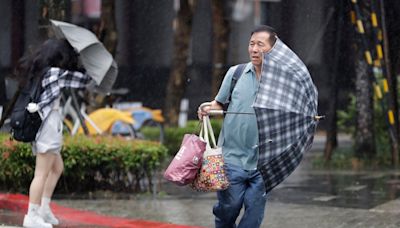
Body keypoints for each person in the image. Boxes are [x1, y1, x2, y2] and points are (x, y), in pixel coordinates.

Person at [198, 25, 277, 228]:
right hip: (231, 158)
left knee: (254, 213)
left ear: (273, 48)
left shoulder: (278, 82)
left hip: (263, 162)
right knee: (229, 207)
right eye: (252, 44)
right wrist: (207, 107)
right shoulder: (236, 73)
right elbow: (219, 104)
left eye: (261, 44)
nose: (254, 49)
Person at [14, 39, 92, 228]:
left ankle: (43, 209)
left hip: (45, 124)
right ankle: (32, 216)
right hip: (47, 126)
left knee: (57, 168)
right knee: (41, 174)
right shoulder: (54, 73)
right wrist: (92, 68)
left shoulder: (40, 71)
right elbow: (83, 81)